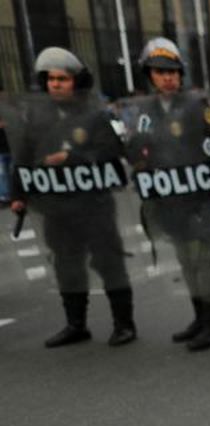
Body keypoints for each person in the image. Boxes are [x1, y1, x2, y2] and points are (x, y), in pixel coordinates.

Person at [9, 47, 135, 347]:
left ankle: (124, 324)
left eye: (62, 79)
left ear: (75, 82)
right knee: (66, 264)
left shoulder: (94, 115)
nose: (55, 84)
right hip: (56, 205)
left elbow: (112, 151)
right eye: (51, 79)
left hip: (93, 204)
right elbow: (23, 158)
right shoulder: (37, 116)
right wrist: (19, 194)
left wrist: (73, 157)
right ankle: (75, 324)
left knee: (108, 262)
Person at [122, 38, 210, 351]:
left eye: (172, 71)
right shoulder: (144, 111)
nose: (167, 77)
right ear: (150, 75)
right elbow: (134, 151)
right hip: (168, 199)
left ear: (181, 74)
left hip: (198, 197)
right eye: (160, 72)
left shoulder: (198, 105)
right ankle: (199, 316)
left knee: (202, 258)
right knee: (185, 259)